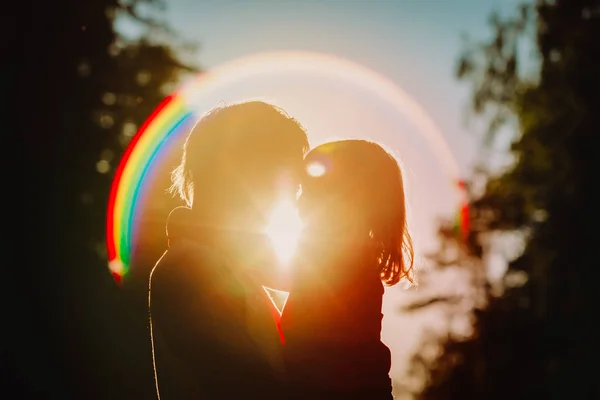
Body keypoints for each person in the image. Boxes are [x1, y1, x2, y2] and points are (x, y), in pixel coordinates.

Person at [148, 100, 309, 399]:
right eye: (283, 172)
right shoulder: (190, 266)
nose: (293, 192)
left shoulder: (229, 267)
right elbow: (247, 382)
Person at [280, 139, 415, 399]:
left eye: (308, 191)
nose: (298, 202)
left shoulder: (343, 262)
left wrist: (196, 229)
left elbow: (263, 272)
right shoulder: (345, 259)